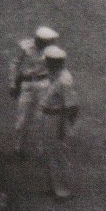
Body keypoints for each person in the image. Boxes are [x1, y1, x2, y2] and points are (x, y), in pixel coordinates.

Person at [9, 25, 60, 157]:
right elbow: (15, 63)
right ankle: (17, 148)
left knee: (40, 118)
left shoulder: (52, 50)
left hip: (43, 85)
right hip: (27, 84)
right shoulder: (25, 47)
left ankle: (40, 151)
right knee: (22, 119)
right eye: (41, 41)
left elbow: (56, 70)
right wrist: (13, 83)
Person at [40, 46, 78, 200]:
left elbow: (72, 107)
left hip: (57, 120)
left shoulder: (64, 81)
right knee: (50, 153)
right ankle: (54, 187)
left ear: (55, 63)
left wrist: (63, 127)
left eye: (48, 62)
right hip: (49, 117)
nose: (46, 65)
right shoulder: (55, 75)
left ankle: (63, 190)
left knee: (58, 154)